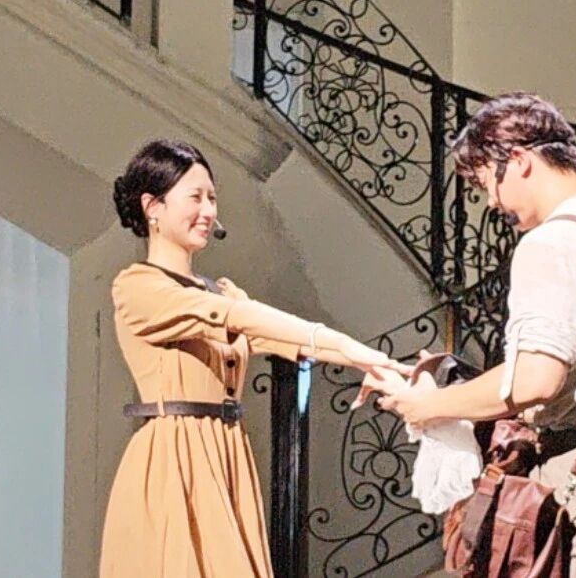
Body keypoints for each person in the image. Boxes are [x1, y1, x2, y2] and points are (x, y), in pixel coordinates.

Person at [374, 93, 576, 576]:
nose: (492, 202)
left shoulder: (551, 241)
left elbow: (536, 380)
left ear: (519, 160)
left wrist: (430, 407)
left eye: (486, 182)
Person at [99, 139, 401, 578]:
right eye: (195, 197)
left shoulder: (222, 291)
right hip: (174, 458)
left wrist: (370, 361)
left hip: (226, 454)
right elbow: (237, 318)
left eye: (212, 198)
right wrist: (346, 345)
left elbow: (281, 338)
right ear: (153, 206)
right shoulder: (138, 287)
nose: (208, 210)